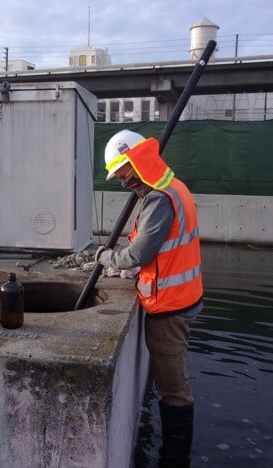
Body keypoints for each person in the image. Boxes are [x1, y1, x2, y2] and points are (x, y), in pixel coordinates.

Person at [94, 129, 203, 468]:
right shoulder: (172, 188)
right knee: (170, 378)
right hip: (176, 297)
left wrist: (105, 258)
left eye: (125, 178)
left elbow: (139, 252)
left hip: (171, 306)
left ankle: (175, 458)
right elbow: (161, 252)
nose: (126, 185)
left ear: (136, 163)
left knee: (173, 387)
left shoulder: (159, 198)